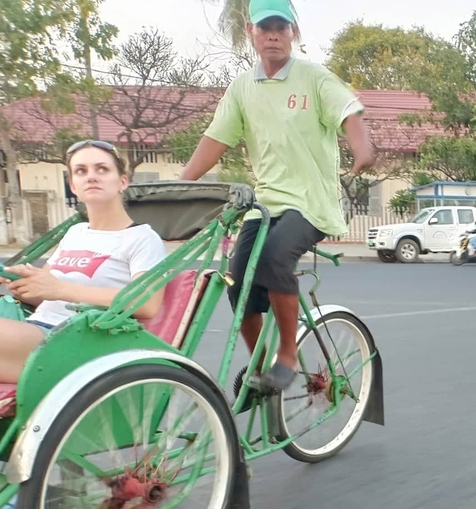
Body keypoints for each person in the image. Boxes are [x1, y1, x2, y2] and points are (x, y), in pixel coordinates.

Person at [180, 0, 375, 392]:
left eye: (281, 27)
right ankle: (261, 364)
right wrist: (180, 186)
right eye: (265, 26)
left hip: (311, 203)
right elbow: (216, 139)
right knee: (237, 279)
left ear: (293, 34)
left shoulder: (314, 78)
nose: (273, 34)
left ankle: (287, 353)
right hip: (265, 204)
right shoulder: (242, 89)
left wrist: (362, 148)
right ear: (251, 33)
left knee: (274, 258)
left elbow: (350, 116)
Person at [0, 140, 166, 384]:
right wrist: (23, 287)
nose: (91, 177)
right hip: (35, 328)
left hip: (76, 343)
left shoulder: (142, 238)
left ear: (123, 181)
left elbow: (147, 303)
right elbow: (46, 293)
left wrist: (61, 289)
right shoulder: (75, 233)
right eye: (81, 171)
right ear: (73, 186)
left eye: (102, 169)